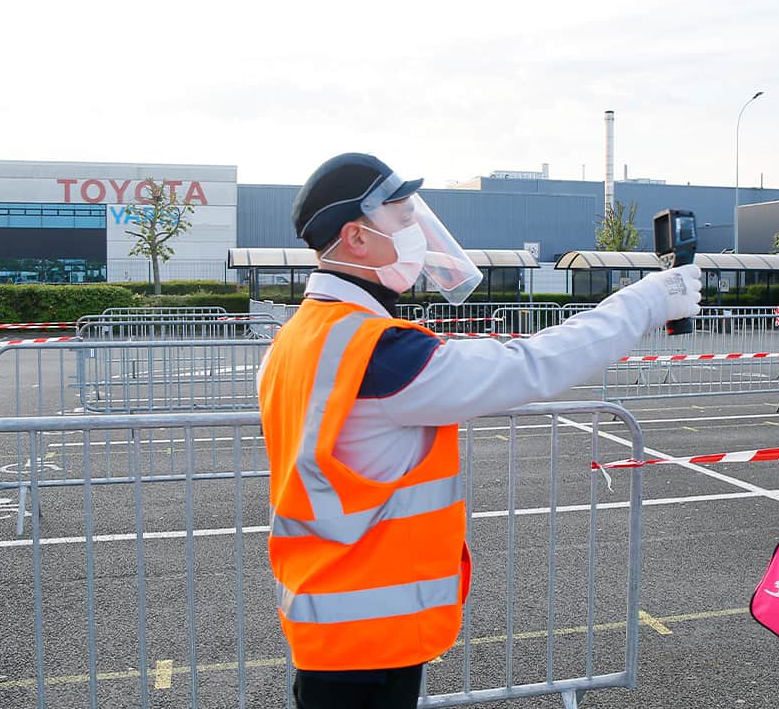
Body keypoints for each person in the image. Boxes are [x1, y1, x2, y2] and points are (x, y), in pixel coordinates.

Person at [257, 152, 703, 709]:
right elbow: (529, 366)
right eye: (401, 219)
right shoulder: (376, 351)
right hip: (368, 634)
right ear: (355, 238)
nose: (416, 231)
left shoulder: (298, 338)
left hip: (328, 617)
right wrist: (643, 302)